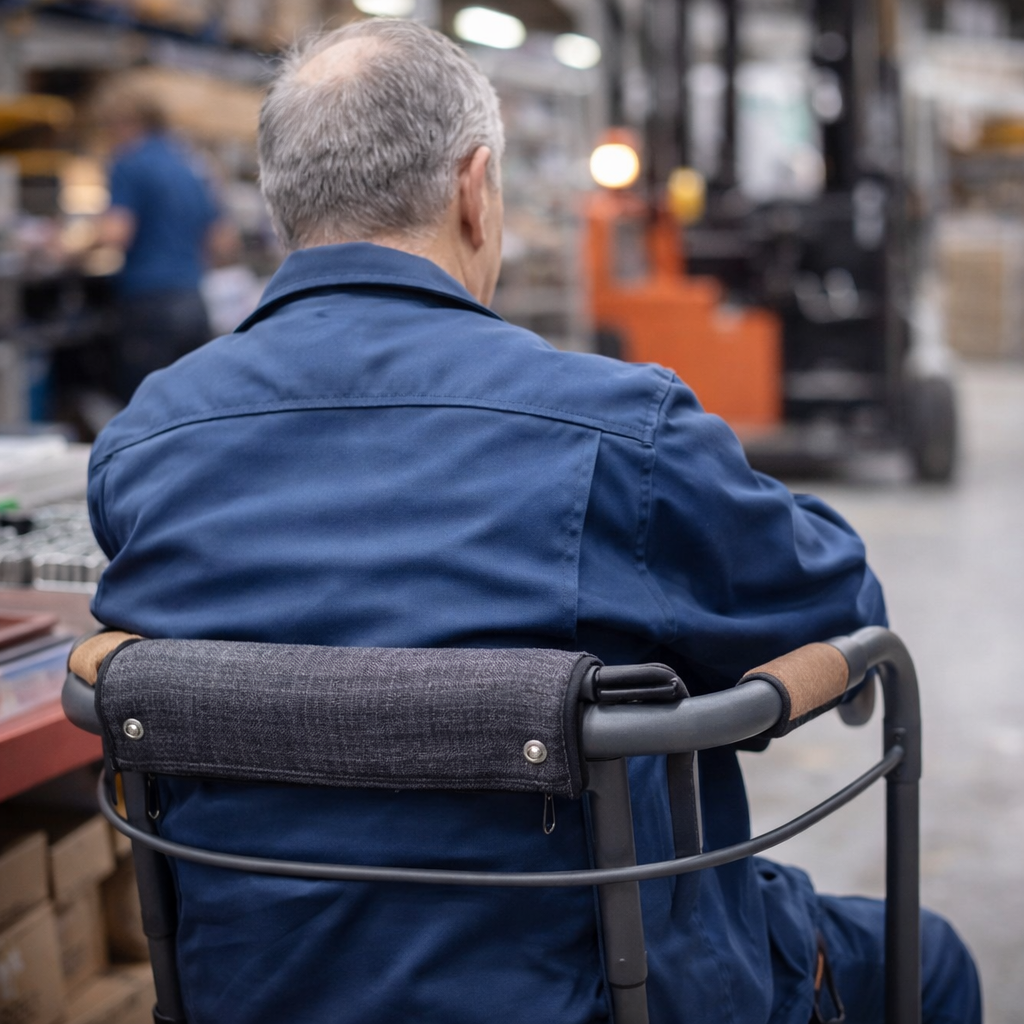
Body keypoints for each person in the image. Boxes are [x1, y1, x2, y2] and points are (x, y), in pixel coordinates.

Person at [86, 20, 981, 1024]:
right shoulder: (620, 434)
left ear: (284, 203)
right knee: (929, 957)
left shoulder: (145, 444)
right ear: (474, 190)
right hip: (602, 992)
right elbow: (831, 596)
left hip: (252, 996)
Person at [92, 92, 220, 402]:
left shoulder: (130, 164)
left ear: (128, 123)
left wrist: (67, 245)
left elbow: (116, 233)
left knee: (144, 405)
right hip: (193, 299)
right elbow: (220, 239)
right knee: (188, 403)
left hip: (149, 301)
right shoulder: (191, 166)